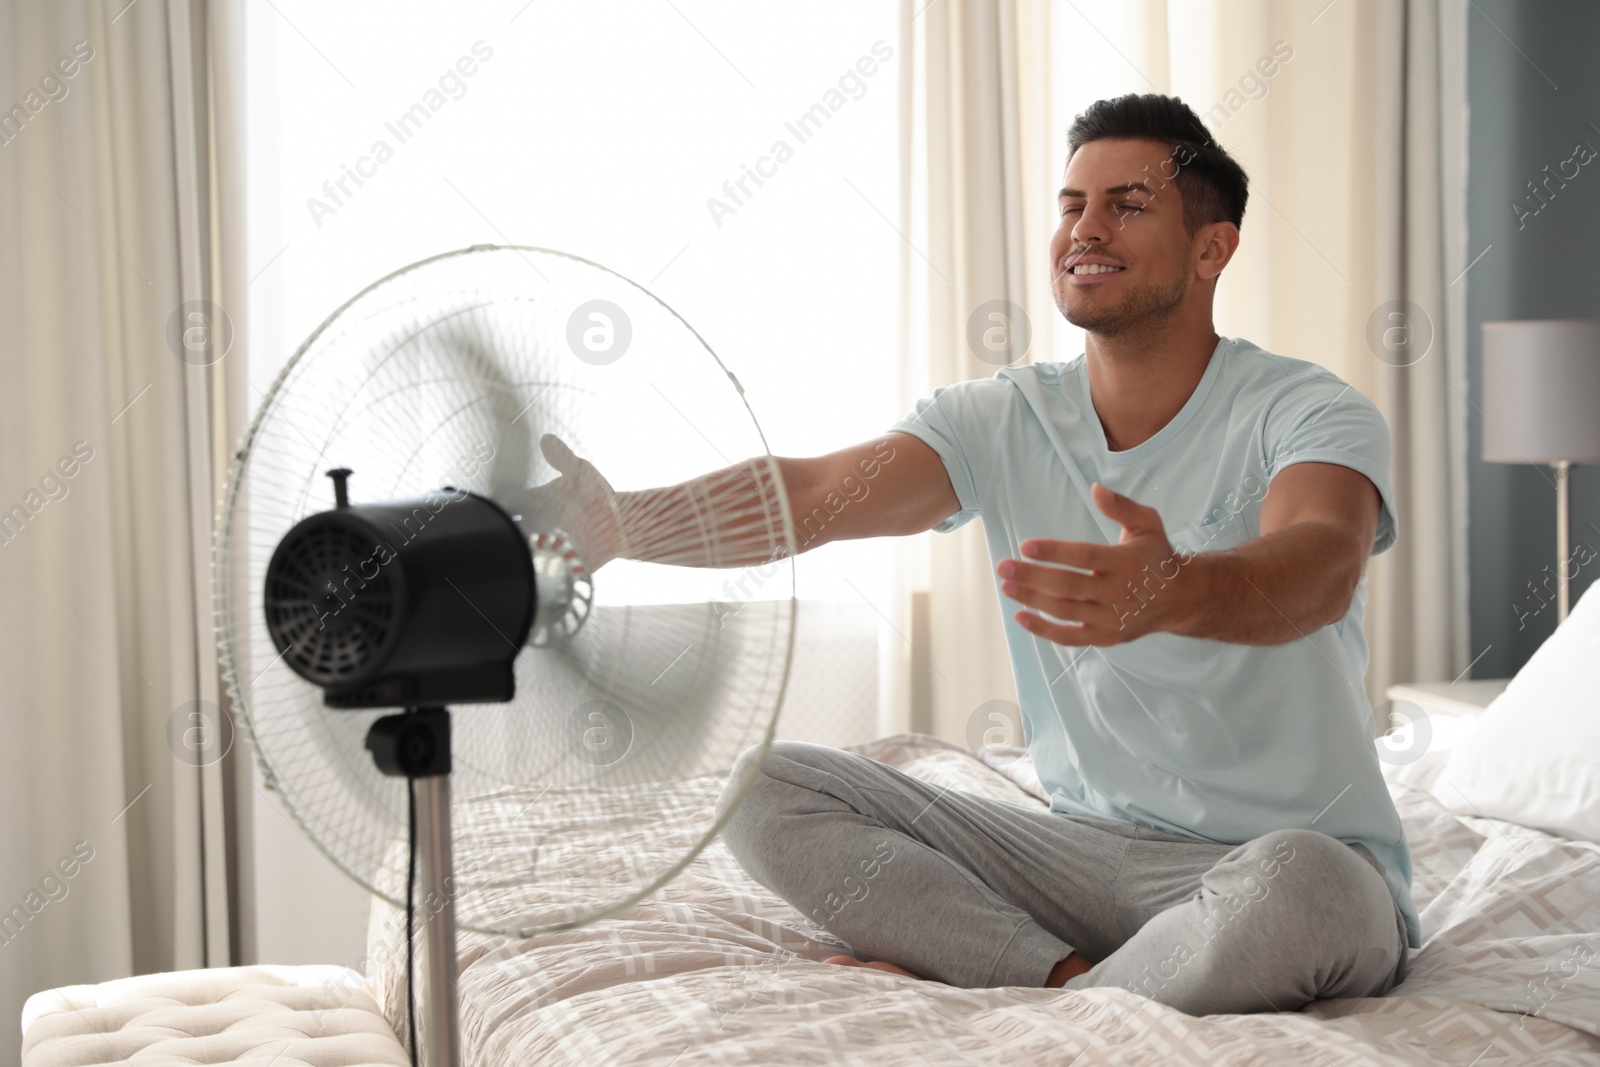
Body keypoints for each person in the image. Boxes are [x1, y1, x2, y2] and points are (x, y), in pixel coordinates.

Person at [528, 92, 1416, 1017]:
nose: (1086, 227)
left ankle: (1039, 983)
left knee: (1300, 886)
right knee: (768, 783)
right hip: (1086, 859)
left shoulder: (1308, 408)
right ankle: (1065, 980)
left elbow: (1319, 563)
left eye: (1129, 203)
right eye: (1072, 203)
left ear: (1212, 249)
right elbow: (813, 493)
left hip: (1288, 859)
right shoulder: (1003, 415)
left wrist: (1174, 590)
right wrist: (623, 524)